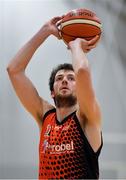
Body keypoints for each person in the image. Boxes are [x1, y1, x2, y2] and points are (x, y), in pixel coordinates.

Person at [7, 16, 103, 179]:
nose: (65, 80)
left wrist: (75, 46)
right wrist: (45, 31)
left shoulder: (87, 117)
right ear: (52, 92)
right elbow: (14, 70)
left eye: (71, 78)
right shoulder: (45, 116)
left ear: (79, 89)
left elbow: (83, 72)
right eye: (59, 78)